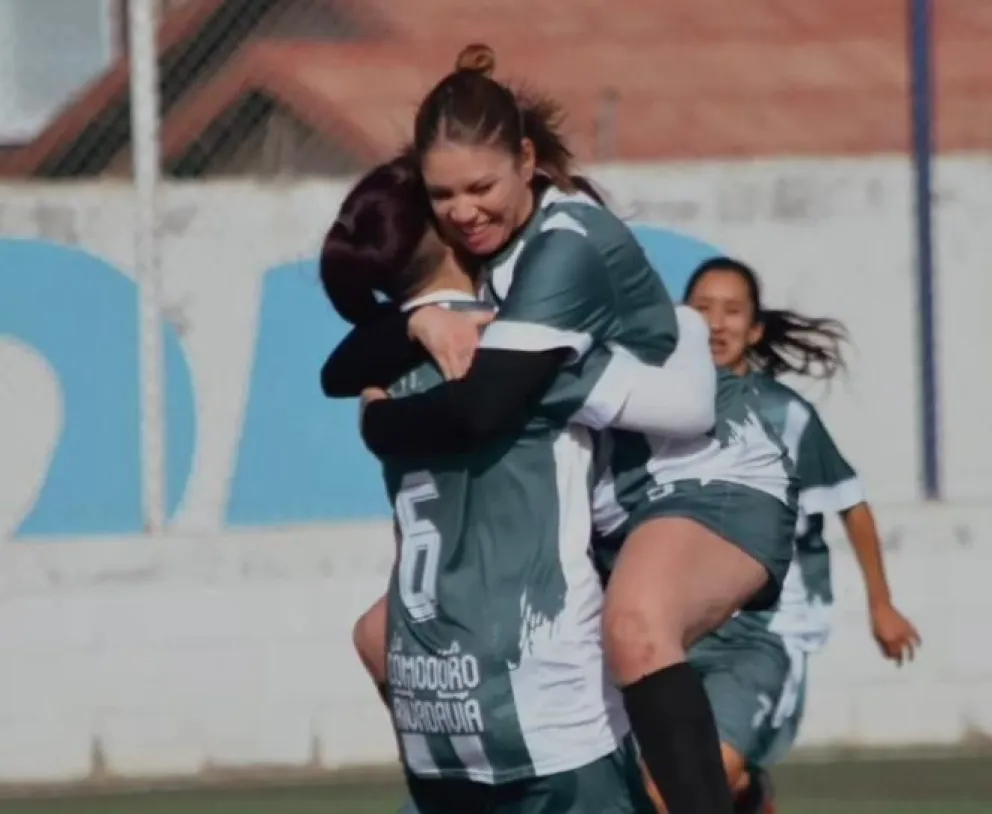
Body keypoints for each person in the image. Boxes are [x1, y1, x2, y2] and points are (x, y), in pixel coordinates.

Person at [321, 43, 797, 814]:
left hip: (700, 481)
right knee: (386, 637)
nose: (463, 210)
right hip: (609, 503)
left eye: (481, 186)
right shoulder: (485, 253)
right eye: (444, 195)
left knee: (636, 626)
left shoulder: (565, 245)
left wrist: (378, 422)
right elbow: (341, 365)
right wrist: (416, 327)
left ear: (527, 162)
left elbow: (483, 410)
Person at [677, 257, 922, 813]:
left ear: (755, 329)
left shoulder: (785, 415)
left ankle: (743, 787)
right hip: (675, 627)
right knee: (662, 787)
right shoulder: (654, 408)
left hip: (766, 629)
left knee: (702, 779)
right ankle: (747, 795)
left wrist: (881, 605)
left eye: (732, 311)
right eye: (701, 309)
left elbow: (851, 504)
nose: (716, 324)